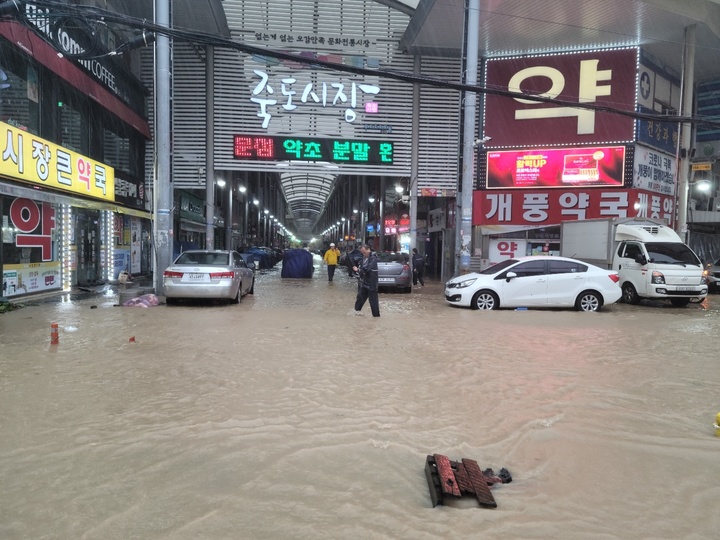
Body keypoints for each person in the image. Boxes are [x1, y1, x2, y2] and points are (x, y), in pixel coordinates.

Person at [353, 244, 380, 317]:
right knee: (360, 298)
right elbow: (362, 270)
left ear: (368, 250)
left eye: (364, 252)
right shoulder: (363, 258)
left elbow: (367, 269)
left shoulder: (373, 258)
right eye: (362, 252)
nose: (363, 253)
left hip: (372, 284)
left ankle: (376, 317)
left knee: (373, 302)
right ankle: (355, 312)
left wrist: (358, 269)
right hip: (364, 283)